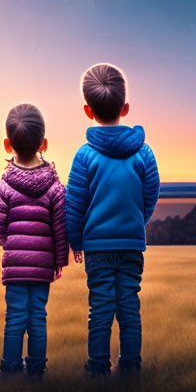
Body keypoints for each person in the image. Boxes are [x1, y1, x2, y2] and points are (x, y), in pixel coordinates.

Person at [65, 63, 160, 375]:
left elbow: (75, 203)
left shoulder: (84, 155)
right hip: (132, 243)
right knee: (130, 306)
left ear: (87, 110)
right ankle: (131, 366)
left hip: (97, 247)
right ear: (126, 107)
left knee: (101, 309)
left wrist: (77, 240)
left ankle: (98, 368)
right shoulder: (144, 154)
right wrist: (135, 223)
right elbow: (150, 197)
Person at [0, 103, 68, 380]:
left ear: (7, 145)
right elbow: (61, 227)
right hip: (42, 267)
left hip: (15, 265)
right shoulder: (56, 187)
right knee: (38, 318)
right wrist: (59, 260)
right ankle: (37, 370)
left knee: (14, 319)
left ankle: (10, 369)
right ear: (44, 143)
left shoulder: (5, 185)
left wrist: (9, 242)